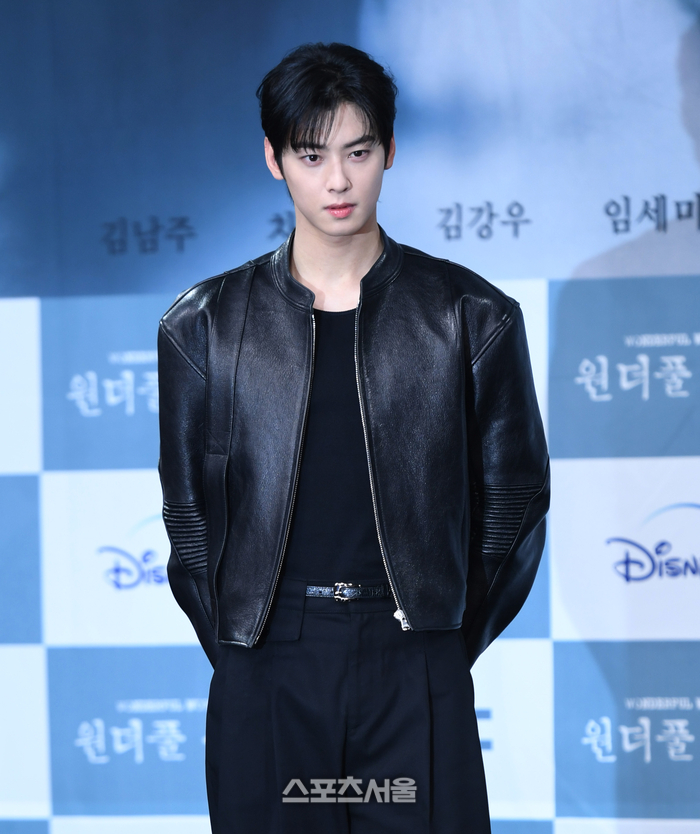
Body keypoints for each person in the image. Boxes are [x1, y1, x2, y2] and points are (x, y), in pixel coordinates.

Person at [158, 41, 549, 834]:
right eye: (312, 155)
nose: (337, 181)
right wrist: (243, 644)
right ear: (274, 159)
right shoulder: (204, 324)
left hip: (414, 661)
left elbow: (515, 500)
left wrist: (443, 634)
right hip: (268, 662)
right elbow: (187, 514)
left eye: (358, 152)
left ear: (390, 152)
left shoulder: (470, 315)